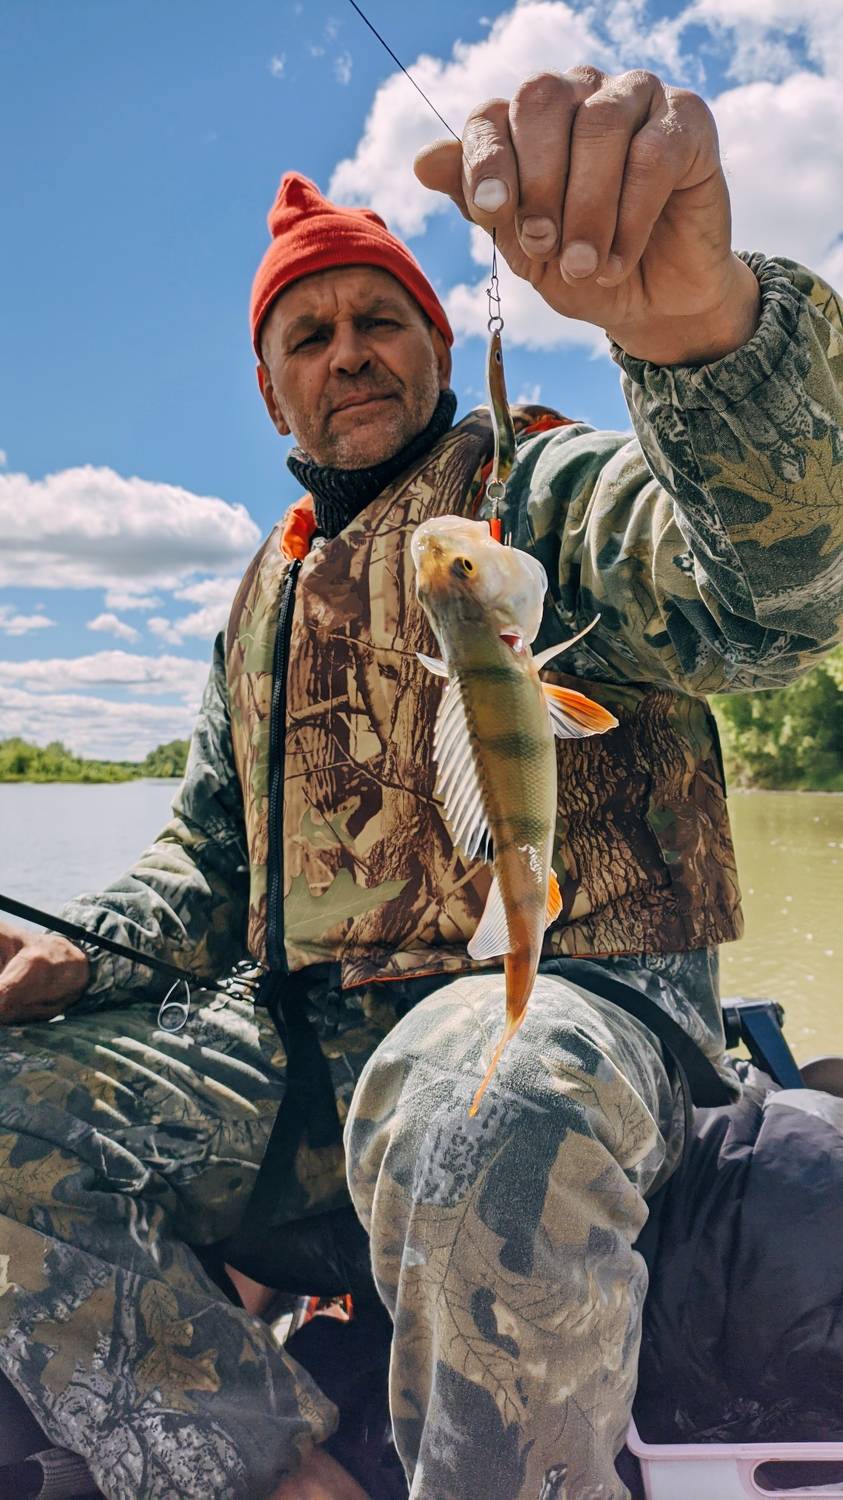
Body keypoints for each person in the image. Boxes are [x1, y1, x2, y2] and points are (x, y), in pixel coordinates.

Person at [0, 65, 841, 1500]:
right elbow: (205, 865)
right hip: (294, 1071)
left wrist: (701, 338)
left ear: (440, 344)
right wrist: (79, 952)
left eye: (380, 319)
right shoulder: (258, 608)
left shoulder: (537, 498)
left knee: (479, 1099)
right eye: (309, 333)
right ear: (270, 386)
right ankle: (264, 1467)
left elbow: (773, 598)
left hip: (562, 1012)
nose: (349, 352)